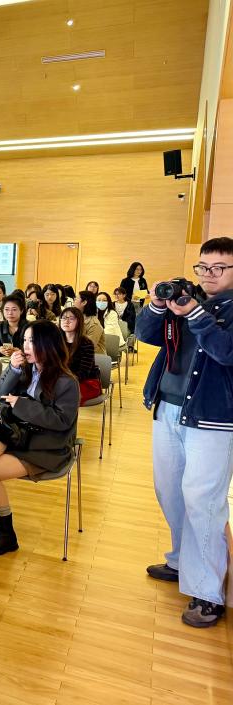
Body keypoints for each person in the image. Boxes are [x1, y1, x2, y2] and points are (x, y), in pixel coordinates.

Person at [139, 238, 233, 627]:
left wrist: (194, 313)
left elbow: (226, 351)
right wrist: (158, 305)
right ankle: (182, 561)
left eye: (218, 268)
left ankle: (208, 593)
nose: (208, 274)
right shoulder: (188, 300)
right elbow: (146, 334)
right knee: (169, 490)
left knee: (203, 501)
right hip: (168, 408)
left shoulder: (215, 309)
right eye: (203, 267)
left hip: (213, 417)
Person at [0, 321, 79, 557]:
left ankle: (2, 528)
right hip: (17, 435)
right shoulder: (26, 369)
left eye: (32, 341)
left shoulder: (66, 381)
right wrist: (13, 370)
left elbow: (61, 421)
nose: (25, 346)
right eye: (24, 340)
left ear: (48, 345)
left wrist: (22, 405)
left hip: (45, 447)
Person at [58, 307, 101, 404]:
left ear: (79, 322)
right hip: (62, 382)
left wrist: (63, 382)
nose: (66, 321)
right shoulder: (57, 342)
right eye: (64, 318)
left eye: (71, 318)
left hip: (85, 383)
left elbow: (83, 373)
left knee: (61, 396)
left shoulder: (86, 343)